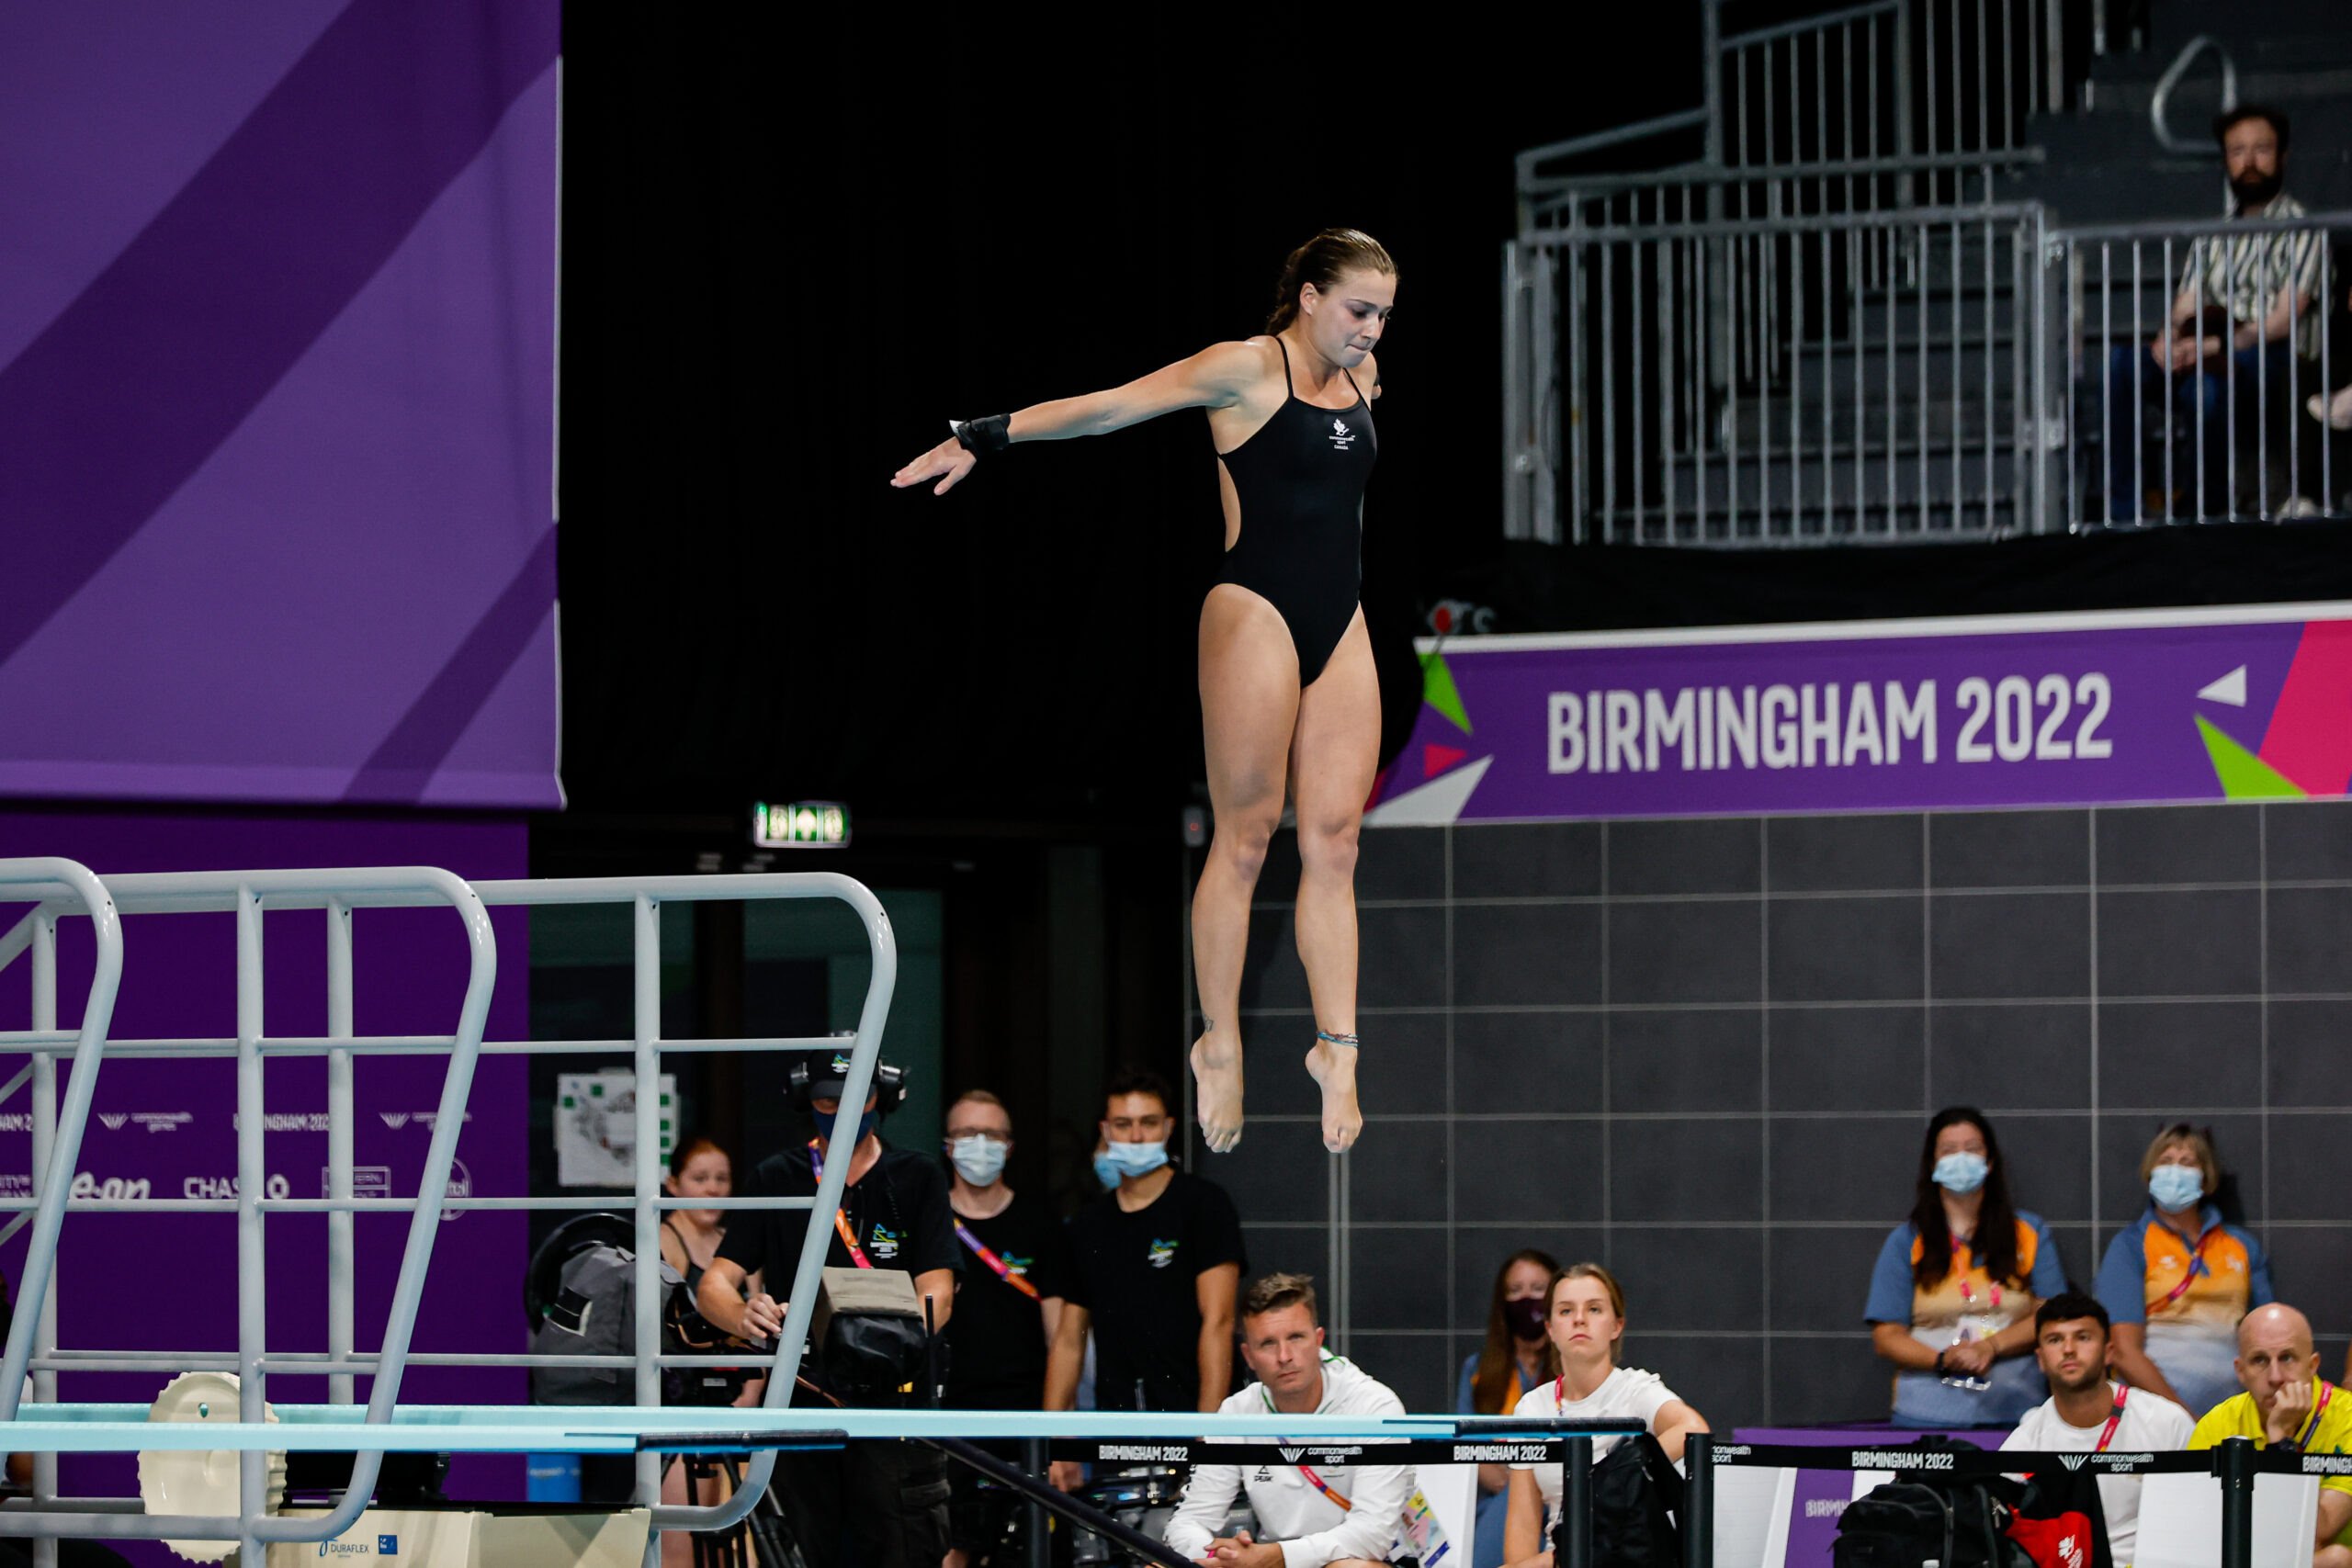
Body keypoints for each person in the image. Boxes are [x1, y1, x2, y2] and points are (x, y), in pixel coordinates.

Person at [893, 229, 1402, 1156]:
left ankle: (1337, 1046)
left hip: (1342, 617)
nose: (1372, 331)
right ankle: (1220, 1040)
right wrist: (983, 435)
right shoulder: (1243, 369)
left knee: (1336, 839)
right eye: (1359, 311)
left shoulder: (1363, 383)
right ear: (1310, 295)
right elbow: (1107, 409)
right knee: (1247, 838)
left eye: (1383, 316)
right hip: (1254, 608)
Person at [695, 1057, 960, 1568]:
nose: (841, 1111)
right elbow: (714, 1285)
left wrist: (883, 1342)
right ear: (805, 1101)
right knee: (802, 1551)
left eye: (855, 1097)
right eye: (826, 1100)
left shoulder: (917, 1175)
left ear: (882, 1097)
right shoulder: (777, 1177)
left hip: (895, 1406)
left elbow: (939, 1296)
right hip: (803, 1403)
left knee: (905, 1549)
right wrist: (746, 1316)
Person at [2102, 106, 2329, 519]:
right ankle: (2124, 512)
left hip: (2275, 356)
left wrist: (2209, 345)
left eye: (2261, 150)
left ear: (2282, 156)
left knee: (2203, 389)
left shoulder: (2304, 228)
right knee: (2121, 364)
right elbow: (2185, 303)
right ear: (2226, 159)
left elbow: (2282, 321)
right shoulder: (2214, 234)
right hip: (2208, 347)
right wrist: (2169, 340)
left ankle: (2204, 511)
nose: (2249, 162)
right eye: (2238, 151)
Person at [1047, 1070, 1247, 1488]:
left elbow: (1220, 1322)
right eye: (1123, 1124)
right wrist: (1056, 1440)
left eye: (1148, 1123)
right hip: (1117, 1427)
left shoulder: (1203, 1205)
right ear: (1105, 1131)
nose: (1136, 1136)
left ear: (1169, 1127)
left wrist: (1208, 1430)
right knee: (1120, 1547)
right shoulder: (1087, 1226)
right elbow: (1068, 1339)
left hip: (1192, 1415)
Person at [1164, 1274, 1411, 1568]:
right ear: (1249, 1356)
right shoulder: (1237, 1413)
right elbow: (1188, 1521)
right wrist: (1220, 1557)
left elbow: (1372, 1537)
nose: (1284, 1356)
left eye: (1296, 1337)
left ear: (1318, 1340)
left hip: (1360, 1560)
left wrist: (1275, 1556)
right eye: (1268, 1343)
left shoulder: (1374, 1407)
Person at [939, 1089, 1074, 1568]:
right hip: (944, 1422)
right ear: (947, 1145)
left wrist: (1060, 1441)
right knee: (950, 1552)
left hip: (1024, 1422)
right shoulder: (930, 1221)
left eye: (992, 1134)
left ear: (1010, 1146)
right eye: (967, 1133)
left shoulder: (1041, 1224)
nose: (980, 1144)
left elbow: (1063, 1339)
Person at [1865, 1107, 2065, 1427]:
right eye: (1949, 1151)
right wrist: (1944, 1360)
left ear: (1989, 1162)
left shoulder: (2029, 1231)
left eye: (1972, 1149)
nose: (1961, 1158)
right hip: (1925, 1415)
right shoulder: (1906, 1241)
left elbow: (2052, 1313)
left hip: (2017, 1411)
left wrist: (1991, 1347)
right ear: (1933, 1164)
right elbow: (1887, 1335)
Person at [1502, 1264, 1708, 1568]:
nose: (1580, 1319)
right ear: (1550, 1330)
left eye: (1595, 1309)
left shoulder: (1635, 1389)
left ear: (1616, 1326)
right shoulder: (1531, 1407)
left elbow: (1693, 1429)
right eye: (1565, 1311)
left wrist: (1614, 1480)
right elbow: (1521, 1531)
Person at [2001, 1292, 2194, 1568]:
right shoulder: (2024, 1445)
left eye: (2083, 1337)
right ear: (2041, 1359)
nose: (2068, 1349)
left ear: (2109, 1352)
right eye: (2055, 1340)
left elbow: (2198, 1520)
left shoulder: (2168, 1422)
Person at [2095, 1123, 2274, 1418]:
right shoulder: (2129, 1246)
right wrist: (2183, 1419)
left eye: (2187, 1162)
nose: (2175, 1171)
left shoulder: (2242, 1246)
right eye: (2165, 1161)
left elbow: (2267, 1335)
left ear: (2206, 1178)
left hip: (2236, 1412)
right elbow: (2125, 1353)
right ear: (2150, 1173)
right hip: (2154, 1415)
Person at [2188, 1304, 2352, 1568]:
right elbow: (2196, 1525)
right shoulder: (2217, 1423)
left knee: (2336, 1560)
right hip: (2243, 1557)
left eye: (2287, 1358)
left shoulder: (2348, 1418)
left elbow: (2318, 1531)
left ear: (2312, 1366)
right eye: (2259, 1360)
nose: (2275, 1377)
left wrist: (2281, 1440)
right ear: (2240, 1371)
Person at [1458, 1250, 1560, 1568]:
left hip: (1558, 1494)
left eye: (1537, 1289)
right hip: (1495, 1495)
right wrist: (1509, 1478)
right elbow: (1462, 1443)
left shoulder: (1571, 1370)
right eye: (1515, 1291)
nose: (1526, 1299)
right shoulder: (1479, 1369)